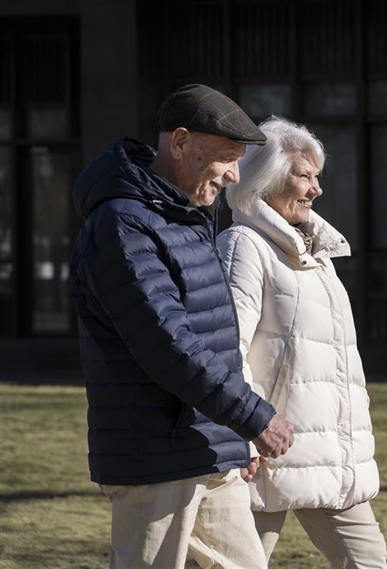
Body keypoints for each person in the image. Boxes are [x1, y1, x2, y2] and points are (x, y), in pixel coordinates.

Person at [70, 84, 296, 569]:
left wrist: (234, 437)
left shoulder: (184, 215)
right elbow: (169, 344)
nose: (234, 176)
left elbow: (215, 339)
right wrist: (253, 419)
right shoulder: (123, 224)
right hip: (154, 457)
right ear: (180, 142)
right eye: (227, 158)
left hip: (206, 445)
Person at [216, 116, 387, 568]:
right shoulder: (244, 245)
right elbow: (227, 350)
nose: (317, 189)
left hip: (330, 458)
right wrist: (244, 436)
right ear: (267, 179)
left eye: (318, 177)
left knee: (369, 561)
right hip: (263, 454)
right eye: (305, 176)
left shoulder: (318, 256)